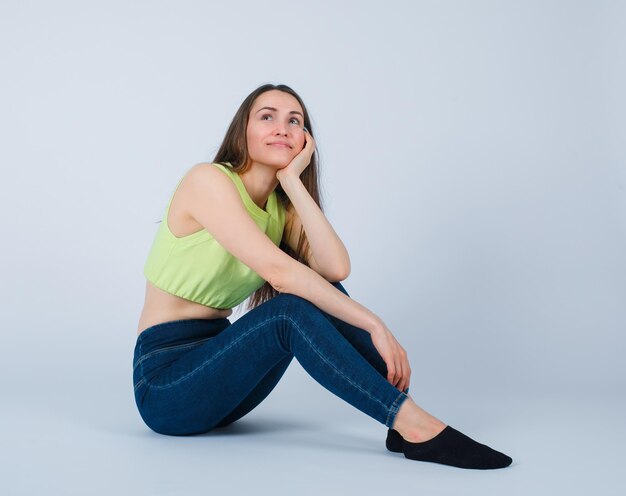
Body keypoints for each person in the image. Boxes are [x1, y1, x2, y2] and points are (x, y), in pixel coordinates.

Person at [132, 83, 513, 470]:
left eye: (294, 121)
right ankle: (412, 424)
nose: (282, 128)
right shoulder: (207, 180)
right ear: (241, 132)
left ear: (305, 140)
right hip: (166, 386)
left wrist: (294, 184)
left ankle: (404, 423)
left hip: (219, 372)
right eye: (267, 117)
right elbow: (280, 273)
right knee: (287, 311)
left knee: (322, 290)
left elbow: (335, 268)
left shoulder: (280, 209)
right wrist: (374, 323)